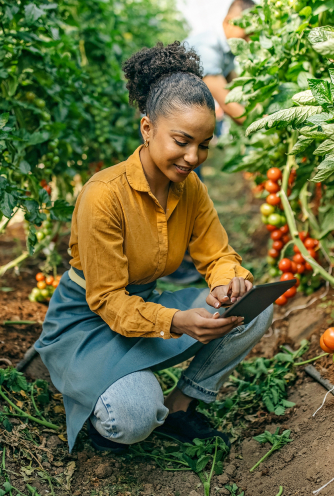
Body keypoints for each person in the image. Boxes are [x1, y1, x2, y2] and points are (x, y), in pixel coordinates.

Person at [34, 42, 273, 453]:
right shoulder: (103, 195)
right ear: (147, 129)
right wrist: (178, 321)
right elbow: (107, 299)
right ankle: (102, 396)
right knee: (133, 416)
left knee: (255, 306)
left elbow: (217, 254)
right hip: (89, 321)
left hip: (146, 308)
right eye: (181, 141)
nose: (193, 157)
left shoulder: (189, 187)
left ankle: (181, 405)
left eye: (203, 145)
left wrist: (227, 283)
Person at [184, 0, 256, 125]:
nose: (249, 40)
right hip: (162, 119)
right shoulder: (208, 48)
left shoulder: (227, 52)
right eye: (247, 34)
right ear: (229, 22)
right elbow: (228, 104)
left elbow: (237, 87)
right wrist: (263, 124)